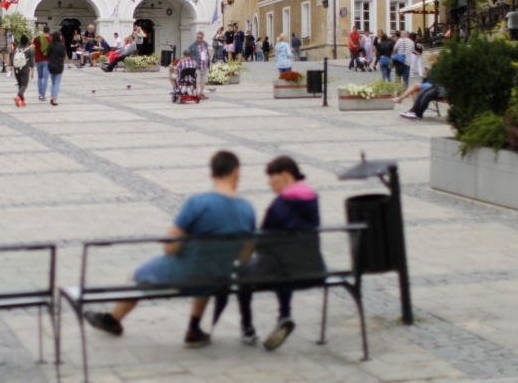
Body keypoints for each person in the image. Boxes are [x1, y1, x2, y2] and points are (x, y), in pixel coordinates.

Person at [84, 151, 256, 348]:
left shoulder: (198, 204)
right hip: (218, 275)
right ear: (237, 173)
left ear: (212, 174)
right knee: (207, 264)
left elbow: (169, 247)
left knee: (136, 275)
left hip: (186, 273)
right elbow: (245, 256)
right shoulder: (247, 209)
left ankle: (113, 320)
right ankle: (194, 328)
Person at [219, 156, 319, 350]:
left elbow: (262, 242)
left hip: (282, 269)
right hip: (313, 267)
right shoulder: (312, 199)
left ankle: (247, 327)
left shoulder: (279, 206)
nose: (269, 184)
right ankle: (284, 315)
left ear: (284, 176)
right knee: (285, 262)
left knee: (243, 271)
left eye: (271, 179)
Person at [185, 31, 212, 98]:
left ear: (203, 38)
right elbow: (188, 54)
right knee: (197, 81)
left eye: (201, 38)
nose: (199, 39)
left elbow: (207, 53)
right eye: (198, 37)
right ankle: (196, 94)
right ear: (196, 37)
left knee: (204, 80)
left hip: (205, 65)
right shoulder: (192, 45)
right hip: (196, 66)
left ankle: (201, 93)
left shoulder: (205, 44)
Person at [12, 35, 35, 107]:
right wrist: (32, 72)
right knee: (24, 85)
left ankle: (22, 101)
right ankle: (18, 97)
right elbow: (32, 63)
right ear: (27, 41)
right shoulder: (29, 50)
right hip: (25, 69)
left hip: (16, 69)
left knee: (20, 84)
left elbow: (12, 60)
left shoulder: (16, 49)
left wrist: (11, 69)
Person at [33, 26, 51, 101]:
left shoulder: (37, 38)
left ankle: (40, 94)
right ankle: (43, 95)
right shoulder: (50, 39)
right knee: (45, 78)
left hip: (38, 60)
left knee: (40, 77)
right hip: (46, 60)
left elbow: (33, 48)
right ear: (49, 31)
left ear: (43, 31)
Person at [47, 32, 65, 106]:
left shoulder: (50, 45)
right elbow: (63, 55)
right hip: (59, 64)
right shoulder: (61, 45)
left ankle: (52, 96)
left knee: (53, 82)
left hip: (51, 64)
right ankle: (54, 99)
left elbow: (47, 55)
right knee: (57, 83)